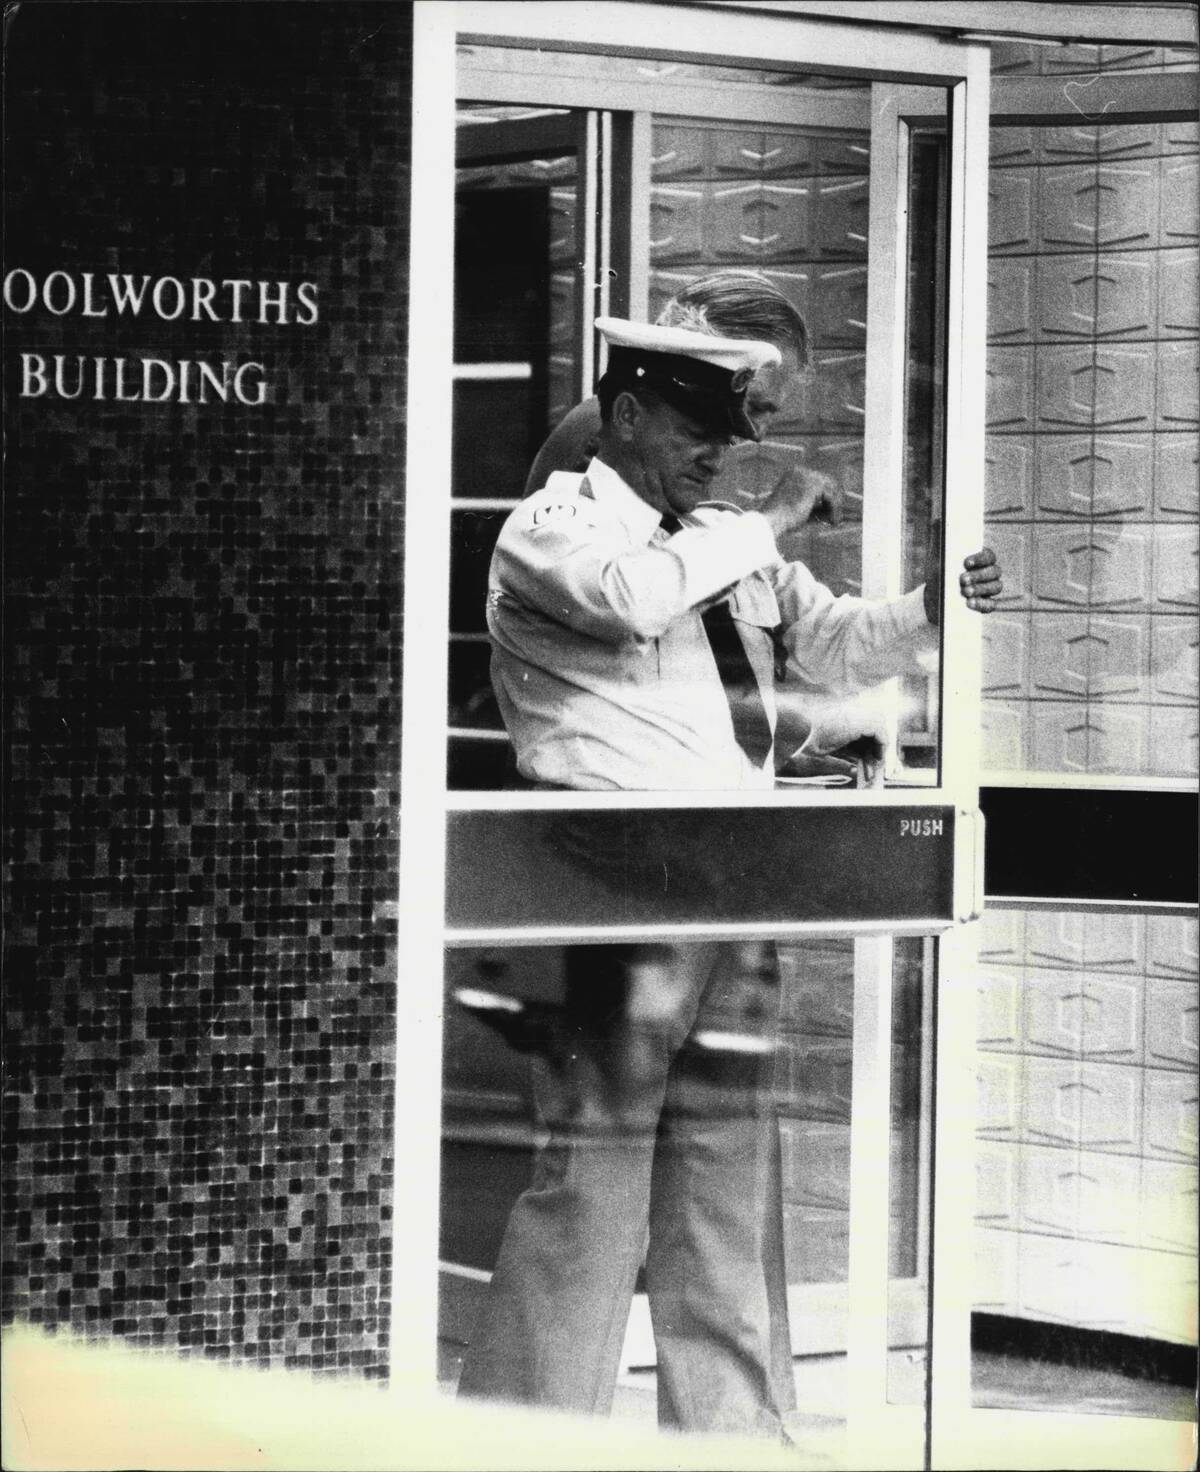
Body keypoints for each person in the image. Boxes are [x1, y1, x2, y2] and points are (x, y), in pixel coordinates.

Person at [457, 304, 1001, 1438]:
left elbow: (835, 642)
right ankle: (516, 1440)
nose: (719, 454)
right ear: (628, 413)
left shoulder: (719, 542)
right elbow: (634, 600)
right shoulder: (555, 532)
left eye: (732, 431)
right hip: (612, 892)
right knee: (592, 1192)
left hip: (733, 884)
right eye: (697, 429)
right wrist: (768, 518)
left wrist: (934, 604)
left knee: (719, 1189)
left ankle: (735, 1440)